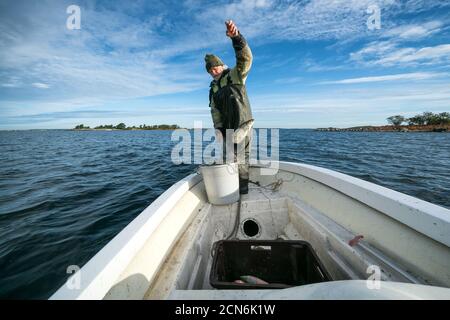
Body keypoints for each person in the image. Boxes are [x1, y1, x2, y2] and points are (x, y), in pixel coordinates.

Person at [204, 20, 254, 194]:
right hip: (225, 129)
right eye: (210, 70)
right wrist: (218, 128)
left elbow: (246, 59)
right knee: (227, 157)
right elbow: (214, 111)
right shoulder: (213, 89)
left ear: (221, 65)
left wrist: (237, 38)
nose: (213, 71)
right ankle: (229, 185)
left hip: (242, 124)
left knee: (241, 157)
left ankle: (243, 189)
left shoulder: (235, 75)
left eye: (215, 67)